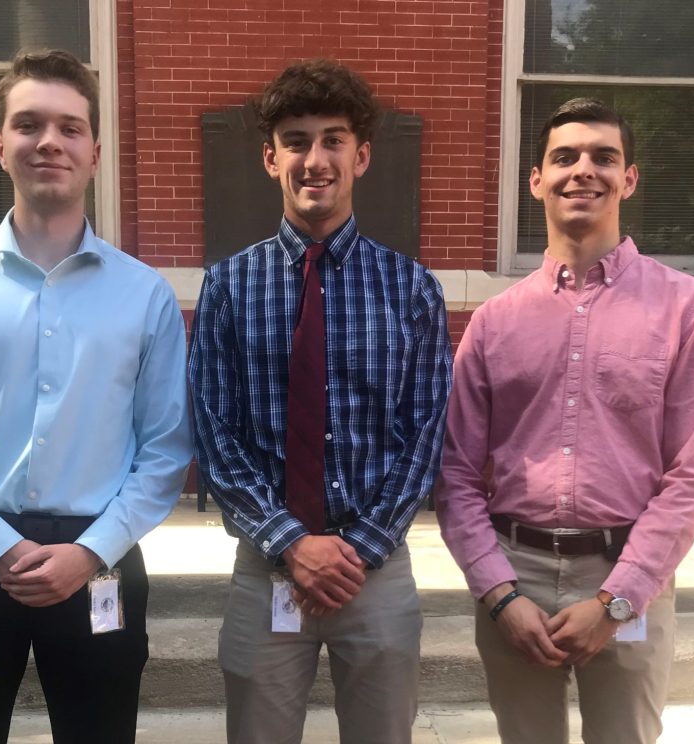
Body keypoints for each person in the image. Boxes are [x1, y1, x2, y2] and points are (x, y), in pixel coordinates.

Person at [0, 49, 192, 744]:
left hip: (97, 562)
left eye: (70, 127)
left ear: (96, 151)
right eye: (30, 124)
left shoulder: (144, 296)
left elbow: (166, 450)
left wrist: (91, 551)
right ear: (0, 144)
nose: (50, 141)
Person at [435, 98, 694, 744]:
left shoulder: (688, 309)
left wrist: (615, 602)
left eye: (604, 157)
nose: (583, 171)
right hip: (515, 576)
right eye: (564, 157)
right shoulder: (494, 322)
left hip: (628, 571)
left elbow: (693, 475)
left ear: (629, 179)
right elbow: (454, 474)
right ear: (536, 180)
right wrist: (500, 595)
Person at [188, 58, 453, 744]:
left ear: (361, 156)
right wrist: (290, 544)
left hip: (378, 568)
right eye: (297, 140)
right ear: (270, 156)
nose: (315, 158)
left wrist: (357, 547)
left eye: (333, 139)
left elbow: (427, 432)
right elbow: (215, 431)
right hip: (267, 566)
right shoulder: (229, 286)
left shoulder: (411, 288)